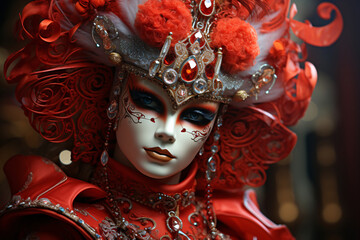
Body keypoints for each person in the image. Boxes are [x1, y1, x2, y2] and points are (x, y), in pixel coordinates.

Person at [0, 0, 342, 239]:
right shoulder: (61, 228)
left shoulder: (236, 231)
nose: (166, 132)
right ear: (112, 96)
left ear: (216, 125)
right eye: (148, 101)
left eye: (195, 115)